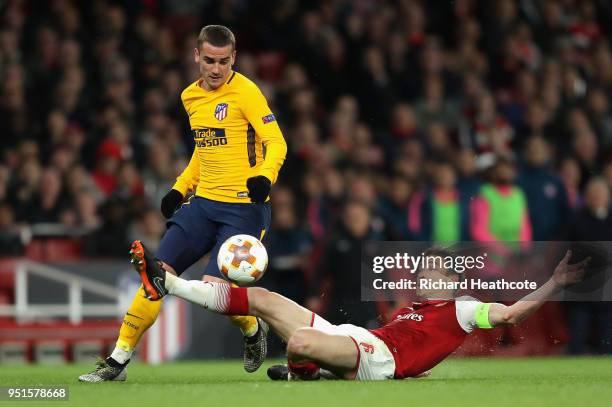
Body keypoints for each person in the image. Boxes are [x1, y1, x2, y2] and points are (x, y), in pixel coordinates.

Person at [79, 25, 287, 382]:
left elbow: (277, 143)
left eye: (223, 61)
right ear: (196, 56)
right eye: (209, 60)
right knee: (154, 274)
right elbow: (203, 149)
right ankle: (117, 360)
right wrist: (181, 187)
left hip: (244, 209)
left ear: (233, 58)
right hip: (203, 204)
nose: (216, 69)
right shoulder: (190, 97)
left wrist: (263, 178)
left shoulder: (247, 92)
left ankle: (252, 329)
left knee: (214, 291)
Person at [132, 242, 588, 381]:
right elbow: (419, 348)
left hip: (375, 360)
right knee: (264, 299)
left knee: (297, 343)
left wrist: (554, 283)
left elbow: (512, 316)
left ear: (452, 281)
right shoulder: (415, 307)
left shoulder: (465, 308)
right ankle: (168, 282)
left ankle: (305, 371)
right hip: (361, 339)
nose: (423, 278)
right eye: (422, 271)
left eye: (433, 273)